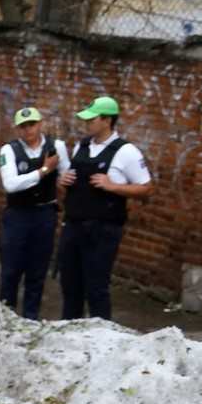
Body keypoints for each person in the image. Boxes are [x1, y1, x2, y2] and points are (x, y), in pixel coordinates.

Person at [54, 94, 154, 321]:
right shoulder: (82, 145)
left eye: (92, 119)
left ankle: (102, 336)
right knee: (70, 284)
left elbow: (146, 189)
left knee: (96, 286)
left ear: (107, 121)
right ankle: (69, 330)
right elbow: (71, 182)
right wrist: (64, 181)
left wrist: (113, 186)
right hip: (73, 225)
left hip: (102, 230)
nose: (86, 123)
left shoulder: (126, 151)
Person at [0, 106, 70, 320]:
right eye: (23, 126)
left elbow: (66, 175)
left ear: (40, 124)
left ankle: (30, 317)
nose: (28, 130)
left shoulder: (56, 147)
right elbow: (11, 184)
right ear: (18, 129)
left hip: (44, 213)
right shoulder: (9, 150)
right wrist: (43, 171)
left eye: (32, 125)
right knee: (11, 269)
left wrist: (63, 183)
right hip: (18, 214)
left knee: (37, 270)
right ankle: (5, 316)